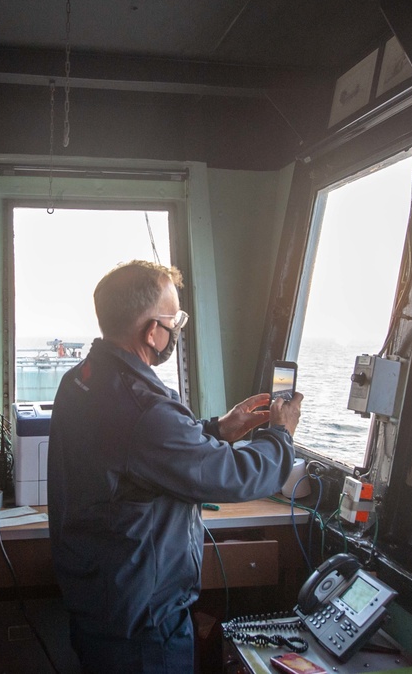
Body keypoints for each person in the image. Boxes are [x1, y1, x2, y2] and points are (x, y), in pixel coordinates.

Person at [47, 259, 302, 674]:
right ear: (152, 331)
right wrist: (280, 434)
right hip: (144, 627)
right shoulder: (143, 409)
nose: (177, 330)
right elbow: (234, 476)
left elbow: (139, 455)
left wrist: (219, 428)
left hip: (100, 603)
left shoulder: (83, 378)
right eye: (175, 319)